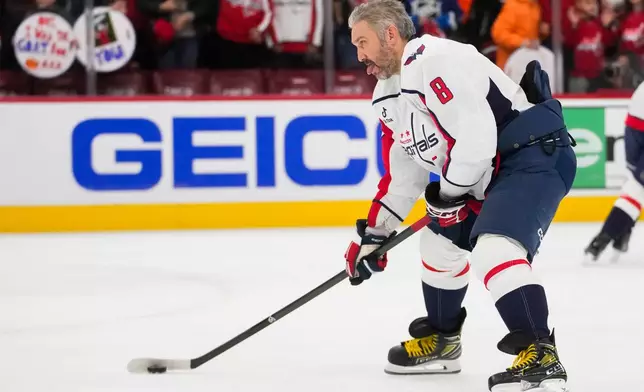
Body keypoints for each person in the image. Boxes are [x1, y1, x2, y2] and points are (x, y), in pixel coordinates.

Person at [343, 1, 577, 390]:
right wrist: (374, 234)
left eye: (362, 42)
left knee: (494, 247)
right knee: (437, 243)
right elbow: (405, 174)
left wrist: (448, 196)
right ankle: (444, 339)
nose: (360, 56)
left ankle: (541, 353)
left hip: (532, 154)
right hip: (488, 172)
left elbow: (476, 140)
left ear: (389, 34)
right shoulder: (389, 95)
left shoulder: (432, 59)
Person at [585, 81, 644, 261]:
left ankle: (616, 236)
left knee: (636, 186)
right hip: (637, 130)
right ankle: (604, 240)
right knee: (637, 187)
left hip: (634, 129)